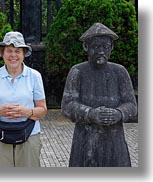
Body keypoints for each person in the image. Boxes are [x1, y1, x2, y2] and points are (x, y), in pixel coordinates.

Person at [61, 23, 137, 167]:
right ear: (86, 47)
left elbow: (132, 105)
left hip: (115, 142)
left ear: (111, 48)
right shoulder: (77, 71)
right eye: (96, 47)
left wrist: (119, 113)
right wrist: (91, 113)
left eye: (105, 47)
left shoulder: (120, 72)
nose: (101, 51)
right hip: (85, 141)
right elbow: (67, 106)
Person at [0, 31, 47, 167]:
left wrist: (27, 112)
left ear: (23, 54)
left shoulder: (35, 76)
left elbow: (43, 111)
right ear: (2, 53)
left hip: (29, 135)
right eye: (9, 51)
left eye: (17, 51)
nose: (13, 55)